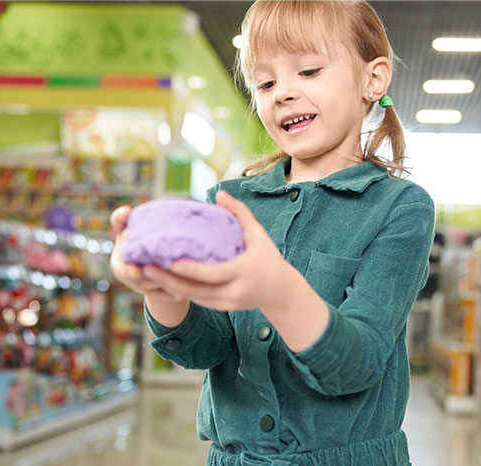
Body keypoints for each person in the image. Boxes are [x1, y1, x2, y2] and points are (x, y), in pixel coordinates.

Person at [109, 1, 435, 464]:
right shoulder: (230, 203)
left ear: (373, 79)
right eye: (265, 82)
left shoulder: (401, 208)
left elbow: (357, 363)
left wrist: (275, 288)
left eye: (308, 70)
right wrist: (163, 290)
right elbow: (207, 346)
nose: (282, 92)